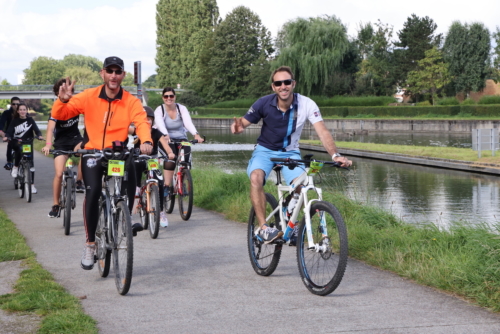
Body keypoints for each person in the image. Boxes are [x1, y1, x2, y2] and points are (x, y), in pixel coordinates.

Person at [51, 56, 153, 270]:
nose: (114, 75)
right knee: (94, 190)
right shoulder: (89, 96)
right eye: (110, 71)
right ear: (103, 73)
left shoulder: (130, 100)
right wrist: (62, 100)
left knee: (133, 163)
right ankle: (90, 244)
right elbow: (62, 114)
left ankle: (125, 214)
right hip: (93, 152)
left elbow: (141, 122)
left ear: (123, 75)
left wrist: (145, 140)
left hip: (117, 152)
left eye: (118, 72)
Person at [231, 66, 352, 243]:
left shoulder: (306, 104)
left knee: (301, 186)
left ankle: (290, 220)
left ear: (293, 84)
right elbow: (242, 122)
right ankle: (264, 228)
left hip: (290, 152)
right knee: (256, 178)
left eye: (287, 82)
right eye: (278, 83)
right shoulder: (263, 103)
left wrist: (335, 155)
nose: (283, 86)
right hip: (265, 150)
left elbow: (323, 132)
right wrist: (237, 127)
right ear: (273, 87)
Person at [41, 78, 85, 218]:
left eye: (69, 89)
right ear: (57, 93)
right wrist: (48, 144)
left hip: (75, 139)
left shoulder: (76, 104)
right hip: (61, 142)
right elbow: (50, 129)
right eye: (63, 90)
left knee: (86, 150)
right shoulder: (55, 109)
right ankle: (55, 204)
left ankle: (79, 181)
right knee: (59, 173)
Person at [153, 87, 204, 198]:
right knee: (171, 157)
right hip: (165, 138)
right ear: (163, 98)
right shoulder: (159, 110)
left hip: (181, 137)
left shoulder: (181, 108)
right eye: (166, 96)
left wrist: (196, 134)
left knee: (185, 158)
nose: (169, 98)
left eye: (171, 96)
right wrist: (166, 135)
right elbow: (160, 124)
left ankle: (183, 182)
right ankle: (167, 185)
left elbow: (188, 122)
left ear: (175, 97)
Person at [131, 106, 174, 227]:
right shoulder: (135, 130)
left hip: (152, 160)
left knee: (159, 181)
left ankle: (160, 212)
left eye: (149, 119)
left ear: (153, 121)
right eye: (144, 119)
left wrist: (170, 153)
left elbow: (166, 146)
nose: (147, 121)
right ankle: (138, 187)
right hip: (139, 158)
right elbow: (123, 131)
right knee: (137, 164)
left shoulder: (156, 133)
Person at [3, 102, 44, 193]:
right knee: (19, 149)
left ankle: (32, 185)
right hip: (16, 142)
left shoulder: (30, 120)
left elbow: (37, 130)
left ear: (27, 111)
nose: (22, 111)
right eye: (20, 110)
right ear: (17, 111)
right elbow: (9, 131)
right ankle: (16, 167)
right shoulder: (14, 121)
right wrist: (7, 136)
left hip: (28, 143)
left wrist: (39, 136)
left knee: (31, 164)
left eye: (24, 109)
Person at [0, 96, 21, 170]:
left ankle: (28, 162)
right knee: (10, 144)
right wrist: (1, 131)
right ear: (11, 104)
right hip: (10, 133)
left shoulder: (22, 112)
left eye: (17, 104)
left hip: (22, 133)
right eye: (14, 104)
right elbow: (1, 123)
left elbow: (29, 122)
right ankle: (9, 161)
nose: (15, 106)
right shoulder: (6, 113)